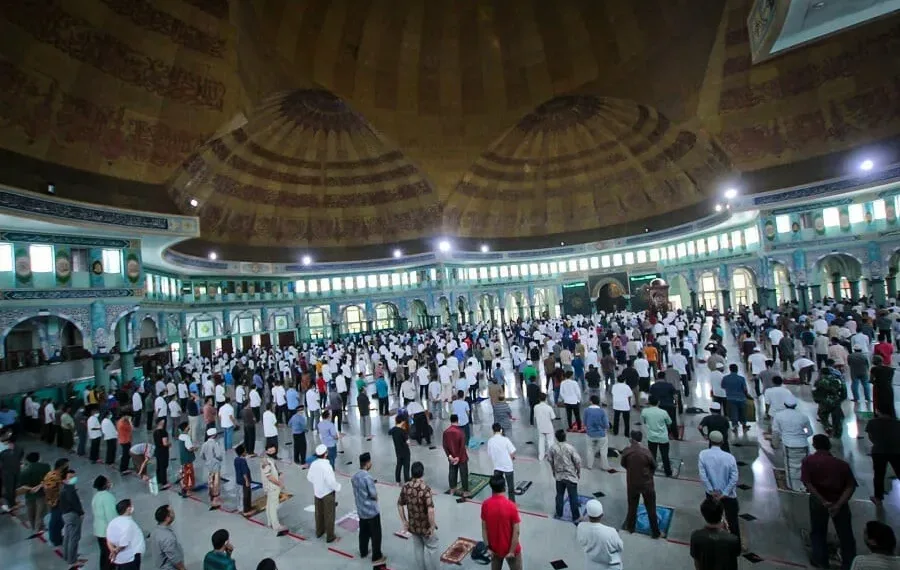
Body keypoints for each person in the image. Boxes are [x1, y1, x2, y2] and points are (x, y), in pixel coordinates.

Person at [801, 434, 857, 570]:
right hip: (839, 501)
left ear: (814, 445)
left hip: (818, 502)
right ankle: (849, 563)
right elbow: (850, 486)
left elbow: (808, 483)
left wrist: (822, 500)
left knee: (818, 531)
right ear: (829, 446)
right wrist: (838, 505)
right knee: (845, 533)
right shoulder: (841, 465)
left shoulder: (809, 461)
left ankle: (820, 561)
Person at [697, 431, 741, 544]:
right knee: (733, 521)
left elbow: (703, 476)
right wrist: (725, 493)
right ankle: (736, 545)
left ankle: (713, 541)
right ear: (722, 442)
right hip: (729, 495)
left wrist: (711, 491)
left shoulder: (703, 454)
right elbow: (734, 478)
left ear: (710, 441)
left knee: (713, 519)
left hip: (711, 495)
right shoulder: (729, 458)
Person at [397, 461, 439, 570]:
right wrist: (432, 526)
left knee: (418, 549)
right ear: (422, 473)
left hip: (413, 525)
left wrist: (405, 521)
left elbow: (400, 504)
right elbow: (430, 511)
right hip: (425, 527)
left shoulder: (406, 487)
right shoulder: (425, 489)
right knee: (433, 549)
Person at [620, 430, 660, 538]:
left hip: (632, 483)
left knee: (632, 506)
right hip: (647, 484)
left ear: (632, 439)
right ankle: (655, 532)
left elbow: (623, 464)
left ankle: (631, 528)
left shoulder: (627, 451)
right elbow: (654, 465)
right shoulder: (646, 452)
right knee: (651, 508)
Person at [480, 473, 523, 570]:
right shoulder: (511, 506)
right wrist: (511, 551)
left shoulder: (485, 505)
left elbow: (484, 528)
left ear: (491, 488)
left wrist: (488, 548)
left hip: (494, 549)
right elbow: (516, 531)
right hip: (510, 550)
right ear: (504, 487)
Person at [772, 395, 812, 492]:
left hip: (788, 445)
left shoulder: (779, 416)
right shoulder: (803, 416)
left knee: (790, 467)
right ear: (795, 405)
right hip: (803, 445)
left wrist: (776, 444)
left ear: (785, 405)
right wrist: (801, 436)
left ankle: (793, 486)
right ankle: (805, 485)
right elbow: (810, 432)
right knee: (804, 466)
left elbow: (776, 432)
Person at [689, 497, 741, 570]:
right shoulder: (732, 539)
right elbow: (733, 562)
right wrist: (728, 533)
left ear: (703, 515)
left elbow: (697, 562)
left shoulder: (696, 536)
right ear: (722, 514)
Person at [352, 452, 386, 564]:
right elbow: (373, 493)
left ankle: (363, 551)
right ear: (367, 463)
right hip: (371, 511)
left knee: (363, 532)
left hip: (361, 510)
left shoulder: (355, 476)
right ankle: (377, 556)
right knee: (376, 534)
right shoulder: (367, 477)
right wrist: (376, 498)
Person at [865, 409, 900, 507]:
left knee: (879, 474)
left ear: (879, 411)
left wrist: (878, 443)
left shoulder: (872, 422)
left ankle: (878, 498)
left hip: (878, 451)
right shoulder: (897, 423)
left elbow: (871, 437)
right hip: (896, 451)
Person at [307, 444, 341, 543]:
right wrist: (338, 487)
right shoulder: (327, 466)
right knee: (329, 515)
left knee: (319, 513)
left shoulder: (314, 464)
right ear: (325, 454)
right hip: (327, 494)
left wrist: (317, 482)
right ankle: (330, 537)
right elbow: (331, 482)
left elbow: (309, 477)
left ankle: (319, 531)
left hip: (317, 492)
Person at [576, 499, 623, 570]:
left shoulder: (581, 527)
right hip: (609, 566)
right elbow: (620, 547)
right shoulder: (611, 532)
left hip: (591, 565)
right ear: (602, 515)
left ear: (588, 515)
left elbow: (581, 541)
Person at [548, 429, 582, 521]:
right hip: (570, 476)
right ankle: (576, 516)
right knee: (573, 496)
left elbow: (550, 460)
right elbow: (577, 461)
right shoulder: (570, 448)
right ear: (565, 437)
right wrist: (578, 471)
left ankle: (559, 513)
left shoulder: (552, 448)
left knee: (559, 495)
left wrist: (553, 470)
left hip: (559, 476)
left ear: (556, 438)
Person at [107, 499, 146, 570]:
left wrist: (112, 550)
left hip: (120, 559)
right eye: (131, 506)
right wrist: (115, 551)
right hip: (130, 558)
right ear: (128, 509)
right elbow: (123, 543)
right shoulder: (128, 524)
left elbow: (108, 539)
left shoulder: (113, 522)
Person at [641, 395, 673, 477]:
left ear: (649, 402)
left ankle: (652, 470)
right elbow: (669, 422)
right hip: (663, 438)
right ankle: (668, 472)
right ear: (658, 402)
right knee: (665, 455)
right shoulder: (663, 412)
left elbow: (643, 421)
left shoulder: (645, 411)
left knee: (652, 455)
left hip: (651, 437)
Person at [261, 442, 288, 536]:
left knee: (269, 505)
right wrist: (279, 483)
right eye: (270, 450)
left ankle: (269, 522)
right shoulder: (266, 461)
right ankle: (276, 525)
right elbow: (269, 476)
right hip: (272, 486)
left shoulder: (268, 459)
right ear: (267, 450)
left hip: (269, 487)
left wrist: (279, 473)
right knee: (273, 506)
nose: (272, 451)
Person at [813, 363, 848, 437]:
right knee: (837, 418)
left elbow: (815, 392)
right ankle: (837, 433)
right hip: (835, 401)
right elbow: (844, 390)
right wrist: (841, 398)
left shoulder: (818, 381)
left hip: (824, 402)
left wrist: (817, 400)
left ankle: (827, 428)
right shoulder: (837, 380)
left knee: (823, 415)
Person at [92, 476, 118, 570]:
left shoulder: (96, 496)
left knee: (104, 554)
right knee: (110, 555)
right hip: (107, 531)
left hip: (99, 530)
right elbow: (111, 515)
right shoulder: (107, 497)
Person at [60, 468, 84, 569]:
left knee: (68, 536)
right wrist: (81, 512)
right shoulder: (69, 489)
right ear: (64, 479)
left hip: (65, 514)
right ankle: (72, 560)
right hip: (73, 514)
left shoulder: (63, 489)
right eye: (70, 477)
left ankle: (67, 556)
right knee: (74, 538)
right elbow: (74, 502)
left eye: (74, 476)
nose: (73, 479)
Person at [149, 504, 185, 570]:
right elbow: (174, 557)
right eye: (172, 512)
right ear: (167, 518)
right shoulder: (167, 537)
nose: (174, 513)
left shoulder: (155, 531)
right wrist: (182, 568)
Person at [487, 422, 517, 502]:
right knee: (510, 486)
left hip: (497, 466)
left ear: (493, 431)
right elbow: (512, 451)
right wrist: (512, 457)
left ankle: (495, 500)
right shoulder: (505, 440)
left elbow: (489, 454)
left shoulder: (490, 441)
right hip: (507, 466)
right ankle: (512, 502)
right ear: (501, 430)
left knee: (496, 485)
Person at [20, 452, 50, 531]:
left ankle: (33, 526)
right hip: (42, 493)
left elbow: (22, 485)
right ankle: (39, 527)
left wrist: (31, 489)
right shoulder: (45, 466)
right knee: (41, 511)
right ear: (38, 458)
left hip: (30, 494)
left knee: (31, 511)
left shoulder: (24, 470)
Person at [443, 414, 470, 497]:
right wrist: (458, 457)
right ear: (457, 421)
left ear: (450, 421)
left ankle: (452, 489)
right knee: (463, 474)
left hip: (451, 457)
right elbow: (462, 446)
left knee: (452, 472)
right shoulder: (460, 432)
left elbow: (445, 445)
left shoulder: (446, 432)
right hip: (461, 457)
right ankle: (465, 491)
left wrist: (450, 456)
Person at [584, 395, 611, 470]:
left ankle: (589, 466)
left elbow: (585, 422)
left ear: (591, 401)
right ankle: (604, 466)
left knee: (590, 449)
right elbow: (606, 424)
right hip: (601, 434)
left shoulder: (586, 410)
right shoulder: (602, 411)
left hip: (590, 434)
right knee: (603, 450)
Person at [199, 428, 224, 509]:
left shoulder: (204, 444)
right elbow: (219, 455)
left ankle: (211, 495)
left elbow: (201, 455)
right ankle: (215, 498)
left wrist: (207, 460)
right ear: (214, 435)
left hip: (208, 465)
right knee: (216, 481)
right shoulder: (215, 444)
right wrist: (219, 459)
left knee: (210, 481)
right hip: (215, 465)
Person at [721, 364, 750, 432]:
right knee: (742, 412)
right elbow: (745, 389)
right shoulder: (741, 378)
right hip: (741, 398)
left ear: (730, 369)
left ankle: (735, 427)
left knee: (734, 412)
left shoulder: (725, 378)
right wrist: (747, 396)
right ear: (737, 369)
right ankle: (744, 426)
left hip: (730, 398)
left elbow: (723, 386)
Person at [176, 422, 197, 498]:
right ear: (185, 428)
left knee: (184, 473)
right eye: (188, 427)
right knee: (189, 474)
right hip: (188, 459)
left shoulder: (180, 436)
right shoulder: (186, 437)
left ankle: (184, 487)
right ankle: (187, 490)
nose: (189, 428)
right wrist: (196, 448)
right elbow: (190, 448)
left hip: (183, 458)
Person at [534, 392, 557, 461]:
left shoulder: (536, 407)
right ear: (546, 398)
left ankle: (541, 456)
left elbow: (535, 417)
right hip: (548, 427)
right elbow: (553, 418)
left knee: (541, 441)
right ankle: (551, 456)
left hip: (540, 427)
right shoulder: (549, 408)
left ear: (538, 399)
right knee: (550, 442)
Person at [390, 415, 411, 483]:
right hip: (405, 451)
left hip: (398, 451)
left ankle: (397, 480)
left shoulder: (393, 430)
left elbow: (389, 432)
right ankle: (407, 479)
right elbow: (407, 442)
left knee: (399, 465)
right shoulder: (403, 431)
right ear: (402, 421)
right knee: (406, 466)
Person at [153, 417, 171, 489]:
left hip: (157, 450)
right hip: (163, 451)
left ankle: (159, 480)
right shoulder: (163, 432)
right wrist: (169, 444)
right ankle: (164, 482)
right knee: (164, 466)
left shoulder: (155, 432)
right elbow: (165, 443)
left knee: (159, 466)